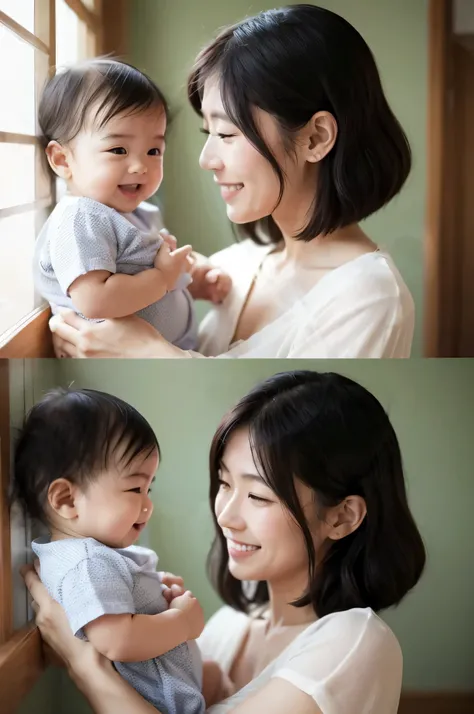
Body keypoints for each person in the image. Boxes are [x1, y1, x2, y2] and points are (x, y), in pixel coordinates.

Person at [23, 370, 426, 713]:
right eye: (224, 483)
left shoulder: (356, 642)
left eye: (257, 496)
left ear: (341, 517)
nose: (226, 515)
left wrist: (86, 666)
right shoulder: (228, 628)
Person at [49, 4, 415, 360]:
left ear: (315, 138)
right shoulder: (233, 268)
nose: (206, 159)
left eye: (226, 134)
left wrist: (148, 352)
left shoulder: (368, 297)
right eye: (208, 132)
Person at [13, 388, 206, 714]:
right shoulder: (86, 563)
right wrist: (182, 623)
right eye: (135, 488)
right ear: (67, 500)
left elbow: (115, 601)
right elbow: (117, 640)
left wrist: (153, 589)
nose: (147, 503)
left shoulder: (86, 556)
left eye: (149, 488)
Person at [34, 58, 232, 352]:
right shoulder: (81, 218)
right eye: (118, 150)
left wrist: (192, 278)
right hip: (113, 358)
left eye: (153, 150)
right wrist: (163, 278)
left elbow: (146, 271)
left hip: (164, 353)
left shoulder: (139, 213)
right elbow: (95, 300)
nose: (140, 166)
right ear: (63, 160)